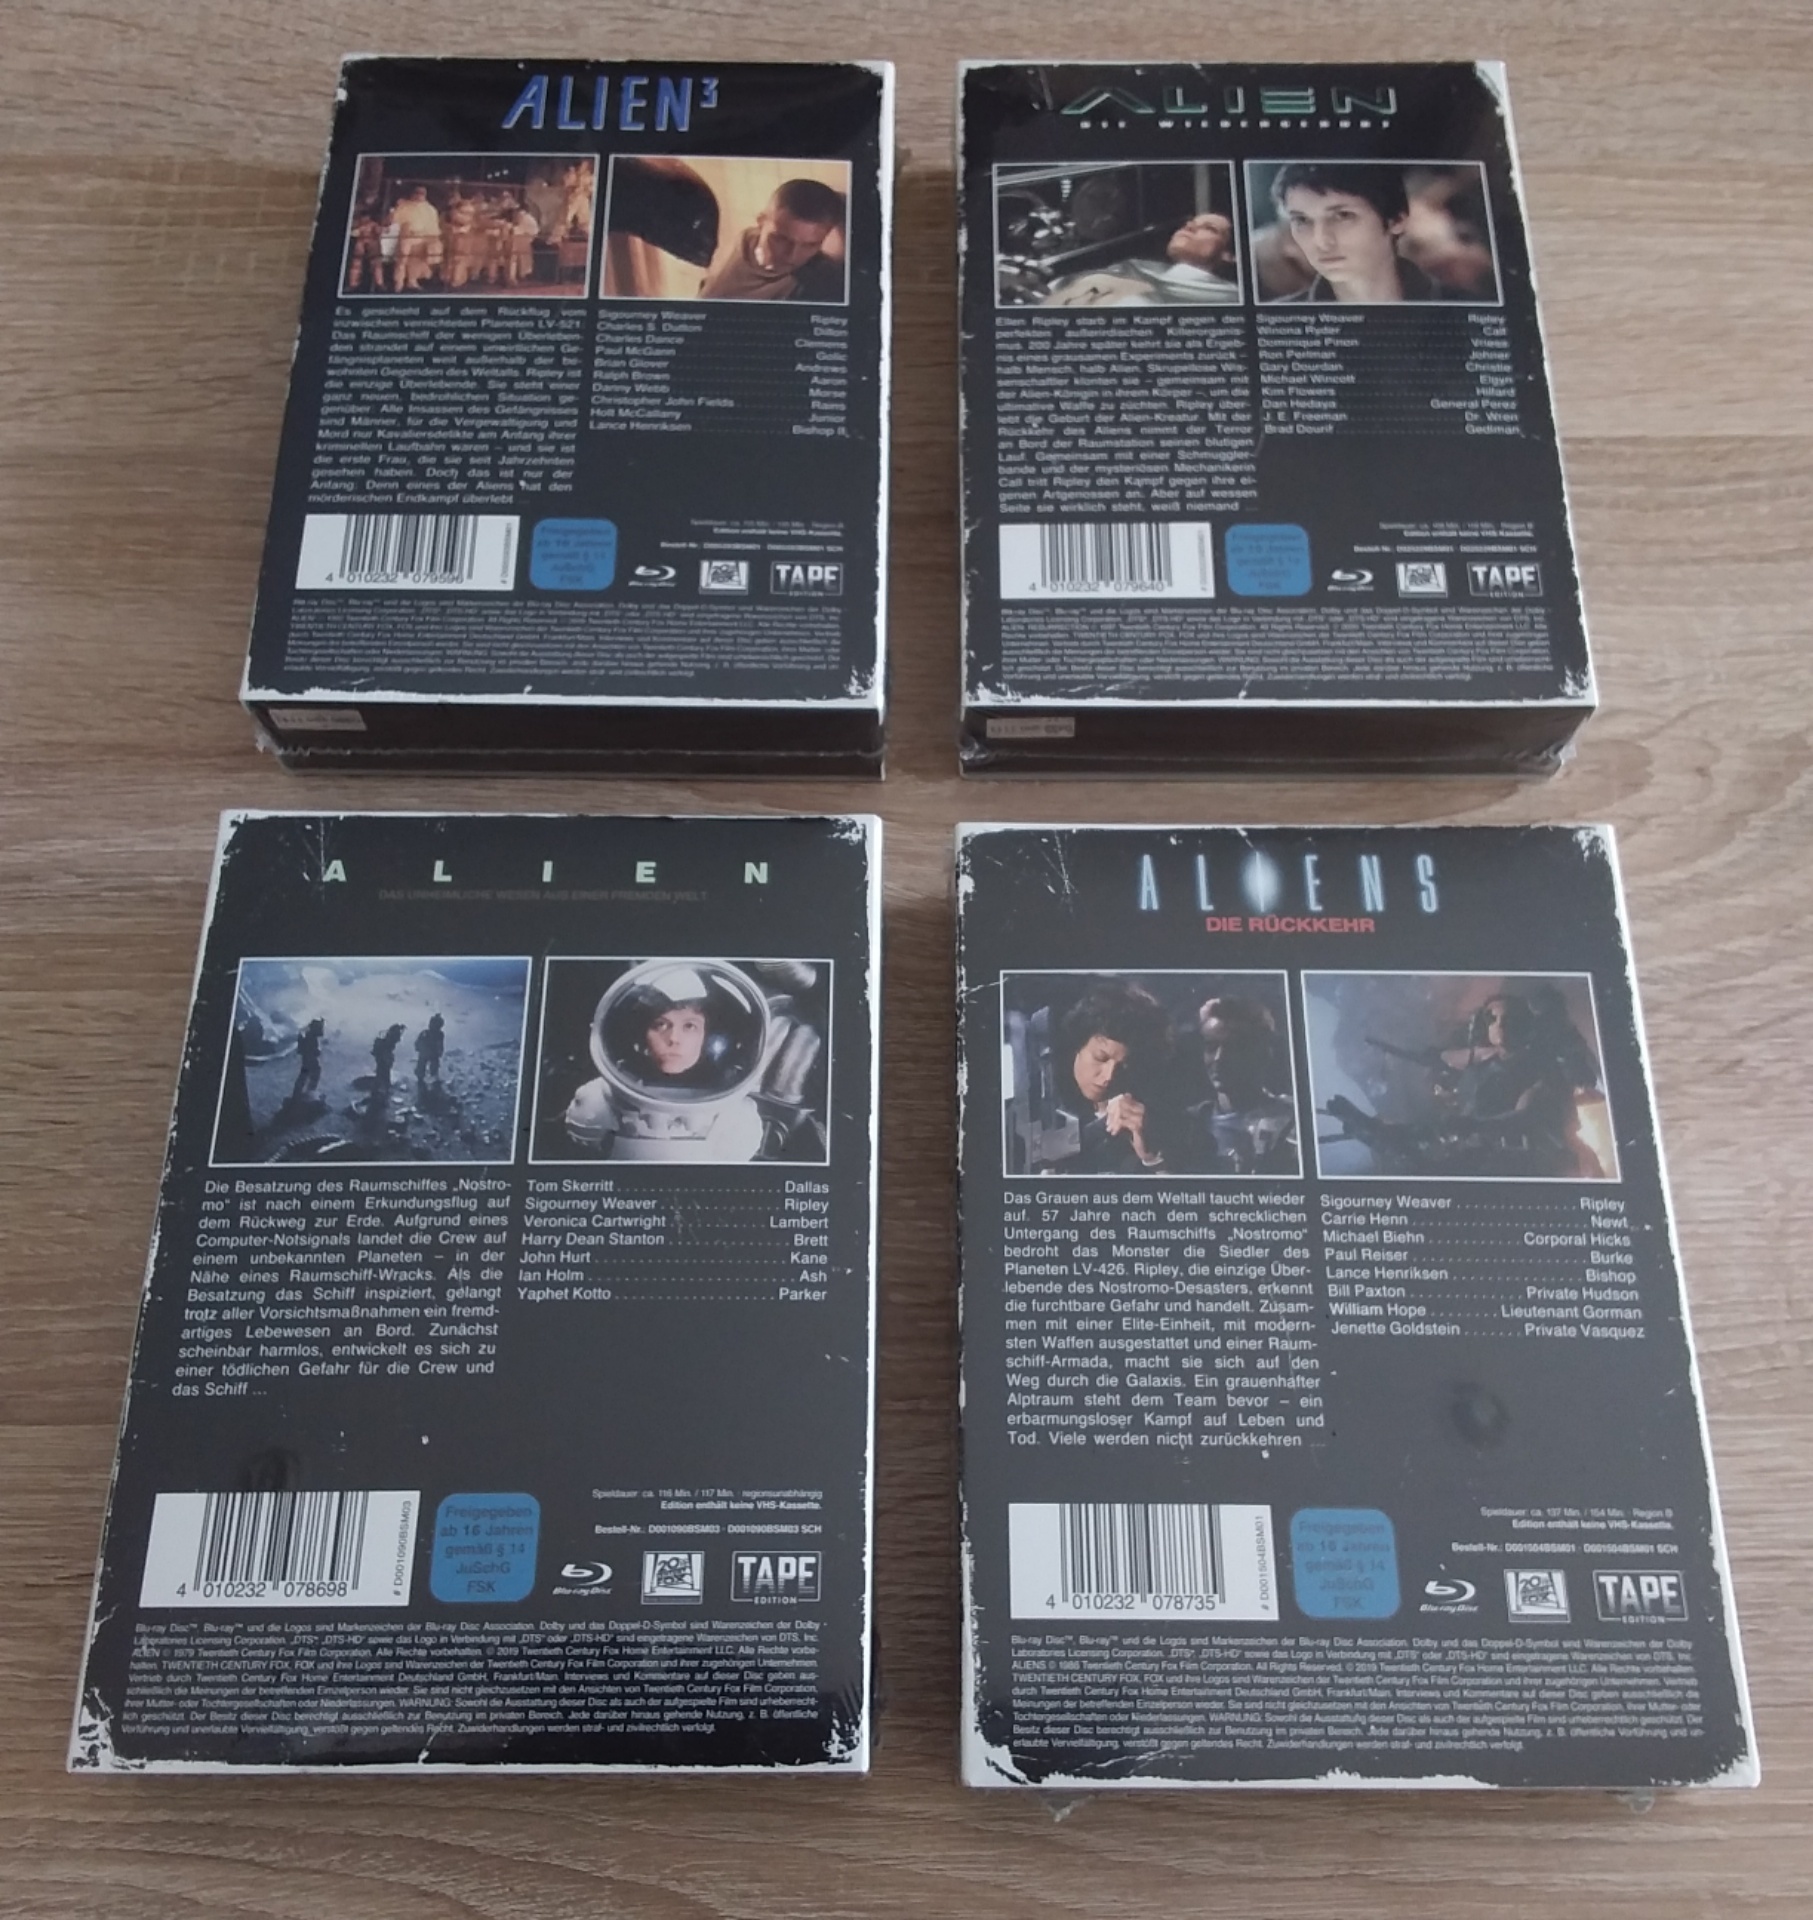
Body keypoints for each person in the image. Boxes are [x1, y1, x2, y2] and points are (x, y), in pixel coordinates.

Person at [1269, 163, 1452, 304]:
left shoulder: (1458, 306)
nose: (1321, 242)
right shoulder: (1280, 320)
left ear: (1396, 220)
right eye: (1301, 220)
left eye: (1343, 216)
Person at [1044, 980, 1173, 1173]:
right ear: (1078, 1045)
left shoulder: (1151, 1121)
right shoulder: (1045, 1100)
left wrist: (1152, 1159)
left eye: (1124, 1066)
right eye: (1100, 1057)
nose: (1109, 1076)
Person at [1182, 996, 1298, 1174]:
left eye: (1234, 1047)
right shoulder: (1189, 1123)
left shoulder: (1290, 1121)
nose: (1219, 1059)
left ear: (1262, 1053)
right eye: (1211, 1047)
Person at [1037, 210, 1241, 308]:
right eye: (1190, 223)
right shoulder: (1138, 265)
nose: (1189, 227)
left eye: (1209, 228)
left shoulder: (1231, 297)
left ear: (1229, 255)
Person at [699, 179, 845, 302]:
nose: (791, 256)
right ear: (761, 222)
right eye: (780, 239)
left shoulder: (816, 284)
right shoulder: (741, 241)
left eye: (809, 245)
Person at [387, 183, 442, 292]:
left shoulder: (430, 209)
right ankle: (399, 283)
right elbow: (393, 221)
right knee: (402, 259)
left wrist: (432, 240)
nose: (419, 195)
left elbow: (434, 228)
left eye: (422, 193)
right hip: (407, 237)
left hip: (423, 238)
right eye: (417, 192)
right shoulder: (404, 206)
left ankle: (412, 281)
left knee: (417, 260)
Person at [291, 1017, 325, 1101]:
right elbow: (313, 1051)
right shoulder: (311, 1038)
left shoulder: (309, 1036)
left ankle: (299, 1093)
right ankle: (308, 1093)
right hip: (310, 1060)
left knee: (304, 1075)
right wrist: (317, 1051)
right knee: (311, 1075)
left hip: (307, 1060)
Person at [371, 1023, 405, 1095]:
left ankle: (380, 1087)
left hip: (383, 1054)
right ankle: (381, 1088)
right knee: (383, 1071)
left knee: (383, 1071)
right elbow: (385, 1048)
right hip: (383, 1055)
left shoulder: (390, 1037)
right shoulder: (389, 1039)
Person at [414, 1013, 445, 1087]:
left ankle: (429, 1077)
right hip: (427, 1052)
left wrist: (440, 1051)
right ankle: (422, 1077)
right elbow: (419, 1041)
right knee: (424, 1065)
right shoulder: (428, 1033)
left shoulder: (438, 1034)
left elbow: (440, 1044)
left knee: (431, 1065)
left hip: (430, 1053)